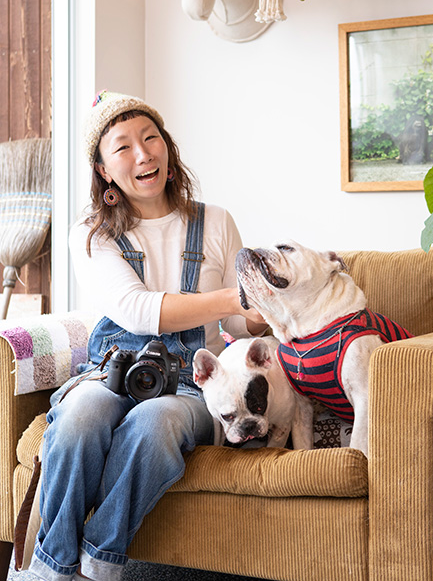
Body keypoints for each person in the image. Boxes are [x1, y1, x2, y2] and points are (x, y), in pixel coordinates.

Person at [29, 90, 267, 581]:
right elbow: (137, 310)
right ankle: (51, 568)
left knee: (155, 423)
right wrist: (229, 298)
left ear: (167, 147)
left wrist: (265, 310)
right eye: (122, 147)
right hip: (111, 370)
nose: (143, 153)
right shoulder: (91, 233)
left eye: (150, 137)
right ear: (104, 170)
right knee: (79, 416)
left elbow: (240, 327)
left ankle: (101, 560)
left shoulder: (216, 221)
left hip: (190, 385)